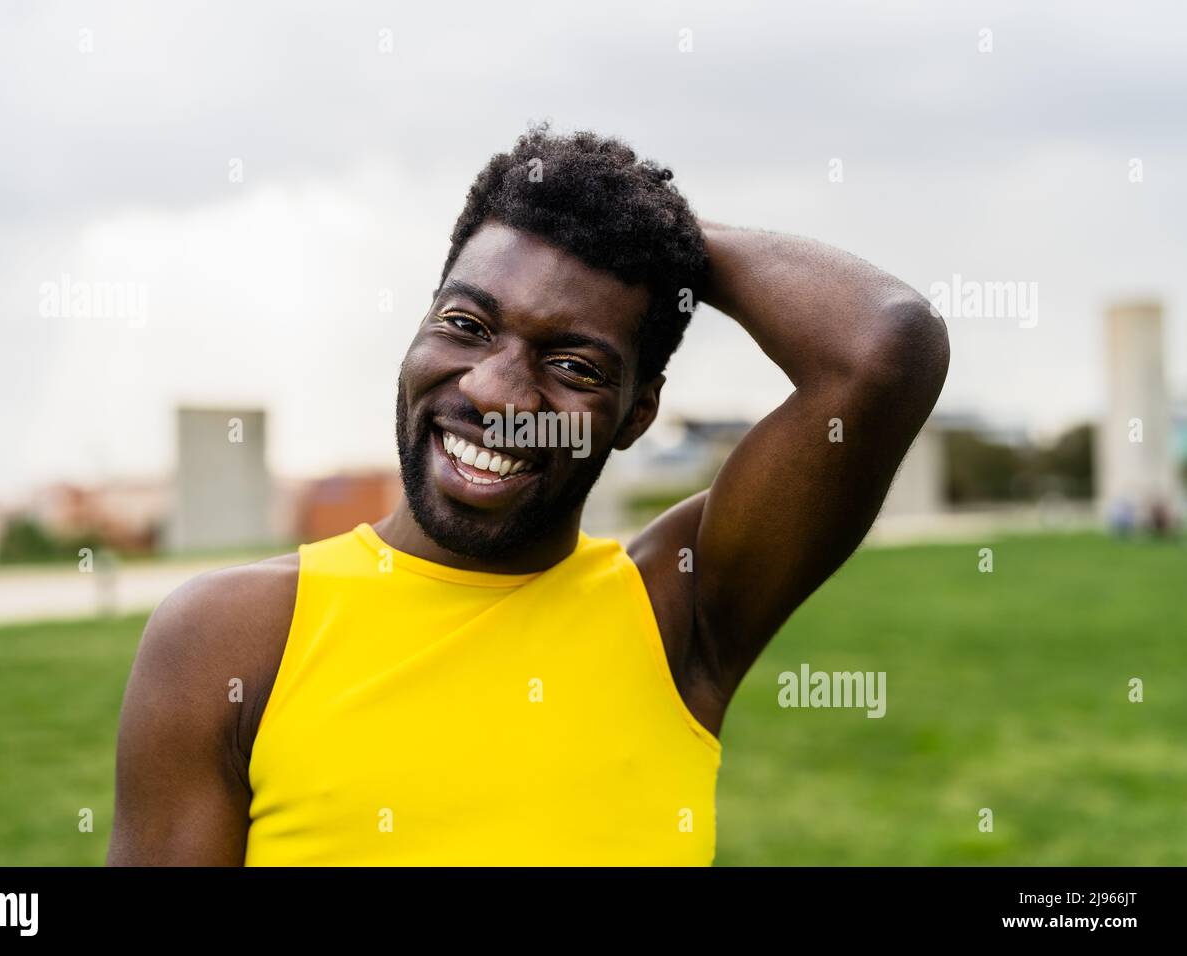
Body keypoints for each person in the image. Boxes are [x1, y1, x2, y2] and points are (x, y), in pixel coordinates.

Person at [107, 124, 949, 866]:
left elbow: (883, 346)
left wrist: (654, 233)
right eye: (467, 325)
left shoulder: (677, 612)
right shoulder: (227, 640)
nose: (498, 393)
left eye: (574, 366)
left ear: (636, 415)